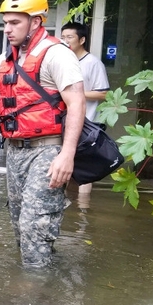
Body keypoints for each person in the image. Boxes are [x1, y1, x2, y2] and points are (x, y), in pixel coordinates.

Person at [0, 0, 86, 268]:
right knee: (19, 226)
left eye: (15, 22)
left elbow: (76, 105)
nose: (7, 29)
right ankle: (39, 283)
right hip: (14, 152)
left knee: (35, 226)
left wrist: (67, 154)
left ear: (36, 22)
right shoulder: (6, 61)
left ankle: (37, 298)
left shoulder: (56, 55)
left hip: (47, 150)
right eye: (5, 23)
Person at [60, 21, 111, 198]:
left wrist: (76, 94)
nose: (65, 41)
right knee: (62, 161)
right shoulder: (63, 61)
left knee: (85, 166)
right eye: (63, 37)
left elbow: (103, 93)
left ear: (82, 40)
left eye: (69, 37)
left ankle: (83, 209)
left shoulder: (93, 63)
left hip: (88, 122)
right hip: (63, 121)